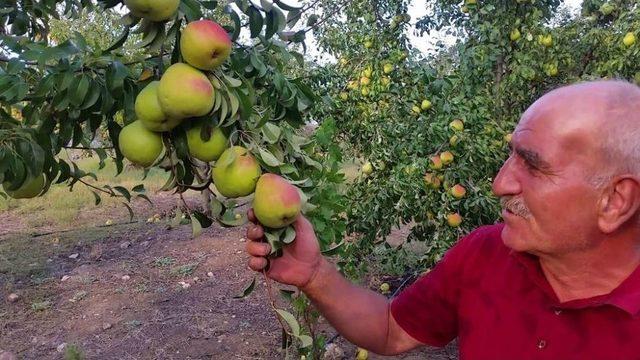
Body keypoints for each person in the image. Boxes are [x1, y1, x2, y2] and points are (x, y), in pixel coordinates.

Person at [245, 80, 640, 359]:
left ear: (615, 202)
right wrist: (314, 274)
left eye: (533, 166)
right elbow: (390, 330)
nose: (500, 183)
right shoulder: (486, 253)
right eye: (511, 156)